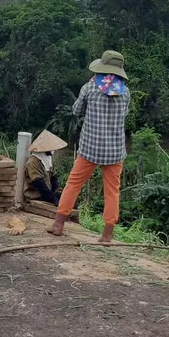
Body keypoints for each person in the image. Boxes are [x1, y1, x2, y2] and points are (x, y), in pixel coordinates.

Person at [48, 51, 130, 243]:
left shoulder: (90, 87)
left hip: (90, 148)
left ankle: (59, 224)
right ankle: (107, 233)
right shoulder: (125, 92)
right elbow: (125, 114)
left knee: (74, 184)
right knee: (112, 191)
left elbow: (76, 111)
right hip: (115, 151)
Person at [24, 130, 67, 206]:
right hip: (37, 195)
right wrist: (52, 199)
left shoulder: (48, 159)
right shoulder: (33, 162)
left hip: (48, 193)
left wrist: (57, 191)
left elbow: (53, 178)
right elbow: (38, 184)